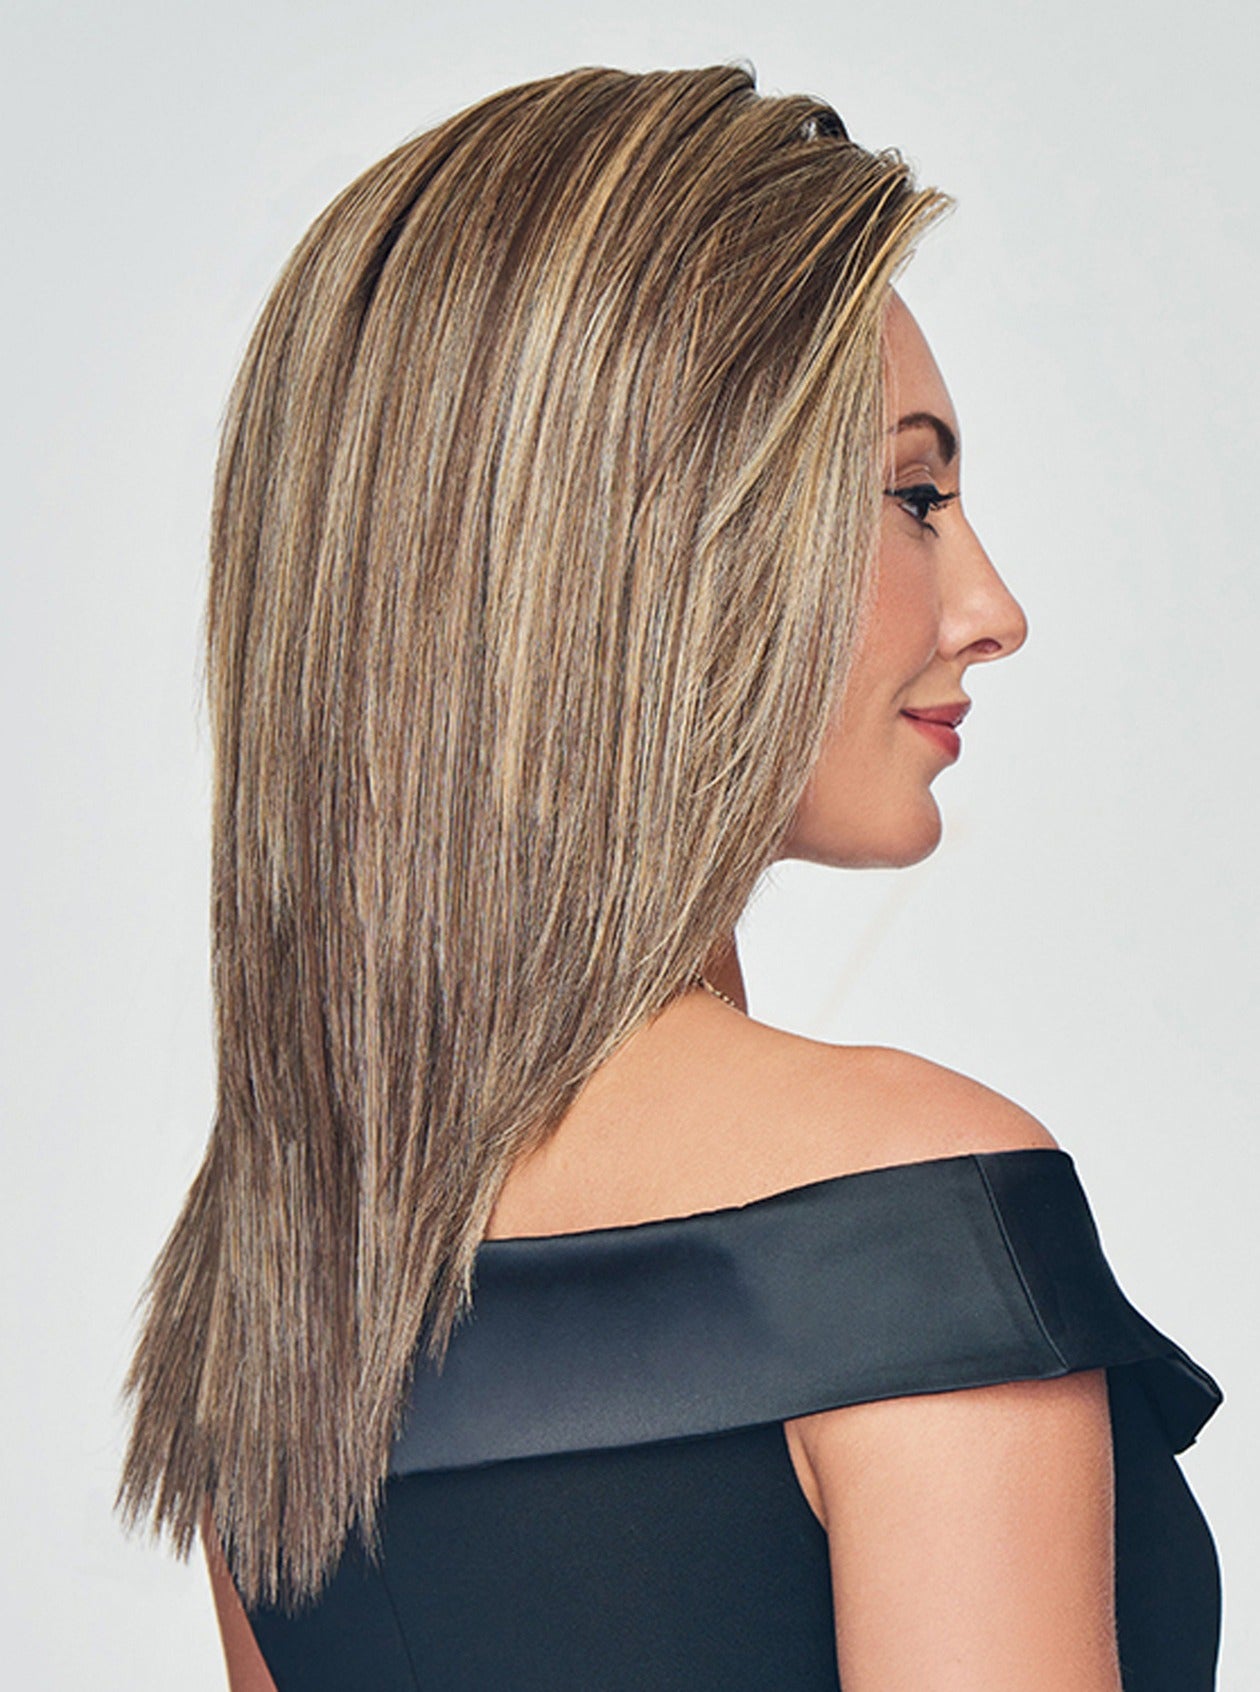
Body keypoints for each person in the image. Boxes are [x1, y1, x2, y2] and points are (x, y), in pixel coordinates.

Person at [114, 63, 1223, 1691]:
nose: (992, 608)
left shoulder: (287, 1286)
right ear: (654, 537)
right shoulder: (904, 1221)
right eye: (915, 494)